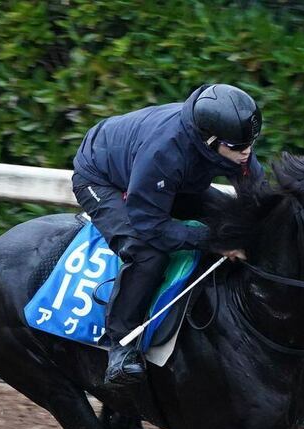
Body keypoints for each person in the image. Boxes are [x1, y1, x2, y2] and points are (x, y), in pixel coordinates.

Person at [72, 83, 264, 386]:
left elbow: (256, 197)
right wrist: (214, 241)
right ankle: (120, 345)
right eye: (239, 148)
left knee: (228, 218)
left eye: (250, 144)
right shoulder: (164, 151)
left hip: (162, 177)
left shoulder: (231, 141)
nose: (247, 153)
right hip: (101, 177)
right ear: (210, 140)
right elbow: (152, 227)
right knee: (147, 252)